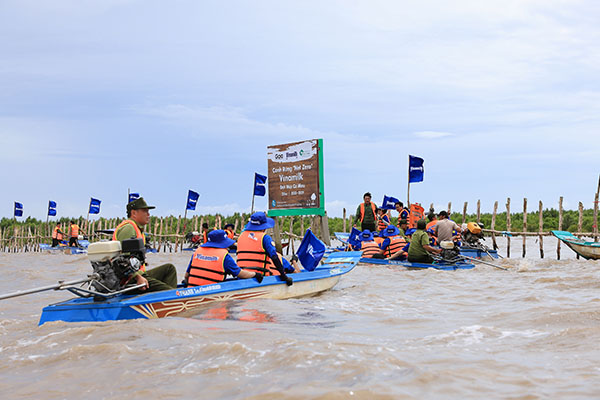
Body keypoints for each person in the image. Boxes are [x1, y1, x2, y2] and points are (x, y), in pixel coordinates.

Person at [113, 197, 178, 293]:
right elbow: (122, 261)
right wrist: (138, 277)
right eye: (145, 211)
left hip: (139, 274)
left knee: (169, 269)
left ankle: (163, 298)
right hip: (129, 279)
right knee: (170, 291)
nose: (148, 215)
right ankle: (171, 298)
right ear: (134, 213)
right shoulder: (129, 228)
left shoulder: (137, 228)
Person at [184, 229, 263, 287]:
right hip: (212, 291)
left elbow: (186, 276)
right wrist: (255, 274)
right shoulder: (225, 257)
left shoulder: (197, 252)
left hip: (192, 289)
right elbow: (241, 274)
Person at [236, 212, 294, 285]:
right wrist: (284, 276)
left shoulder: (241, 236)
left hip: (241, 276)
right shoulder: (265, 238)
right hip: (259, 278)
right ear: (263, 227)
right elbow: (274, 257)